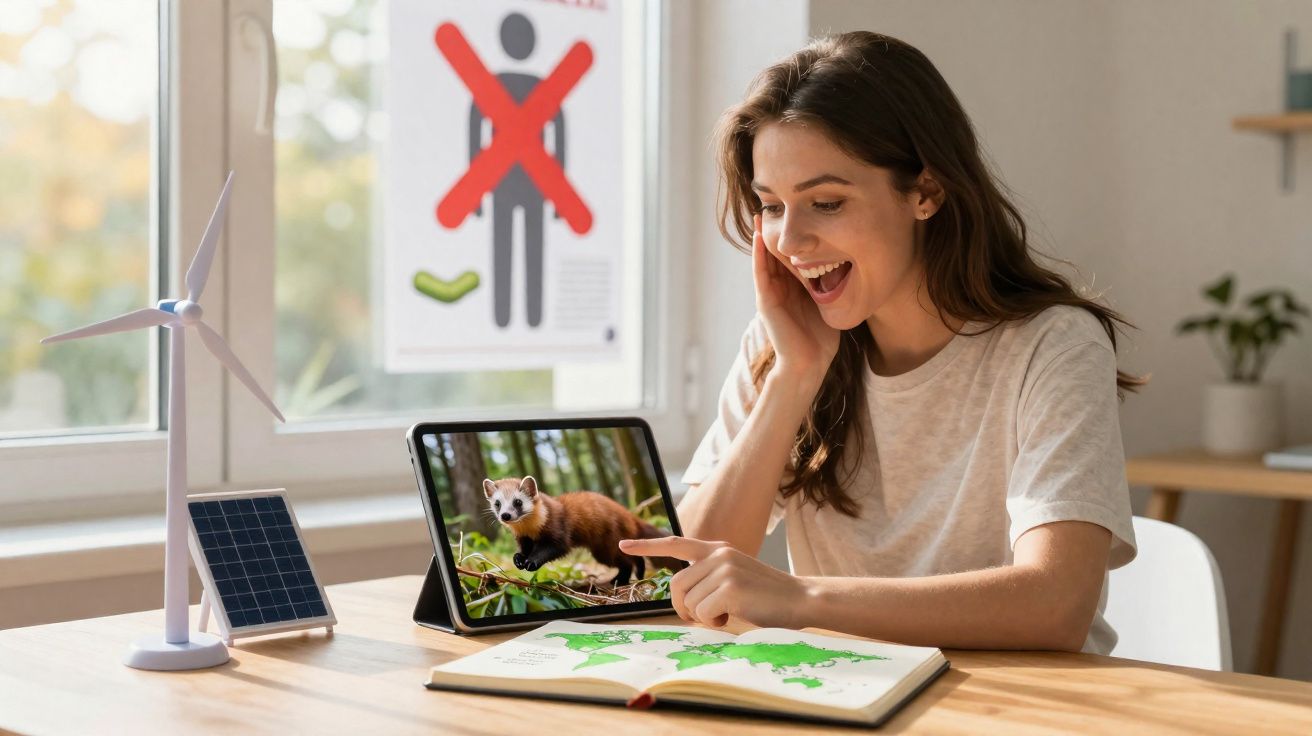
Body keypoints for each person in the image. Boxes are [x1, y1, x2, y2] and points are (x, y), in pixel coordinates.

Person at [620, 31, 1144, 654]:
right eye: (771, 206)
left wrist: (801, 600)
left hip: (1018, 706)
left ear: (925, 192)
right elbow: (683, 574)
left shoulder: (1051, 345)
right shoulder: (786, 339)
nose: (790, 240)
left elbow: (1055, 603)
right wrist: (794, 375)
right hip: (842, 697)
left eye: (826, 202)